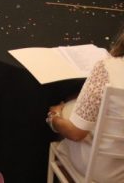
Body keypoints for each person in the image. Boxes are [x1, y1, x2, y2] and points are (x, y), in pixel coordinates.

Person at [45, 28, 124, 182]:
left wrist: (54, 118)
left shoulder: (107, 68)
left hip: (101, 170)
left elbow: (76, 133)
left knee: (69, 109)